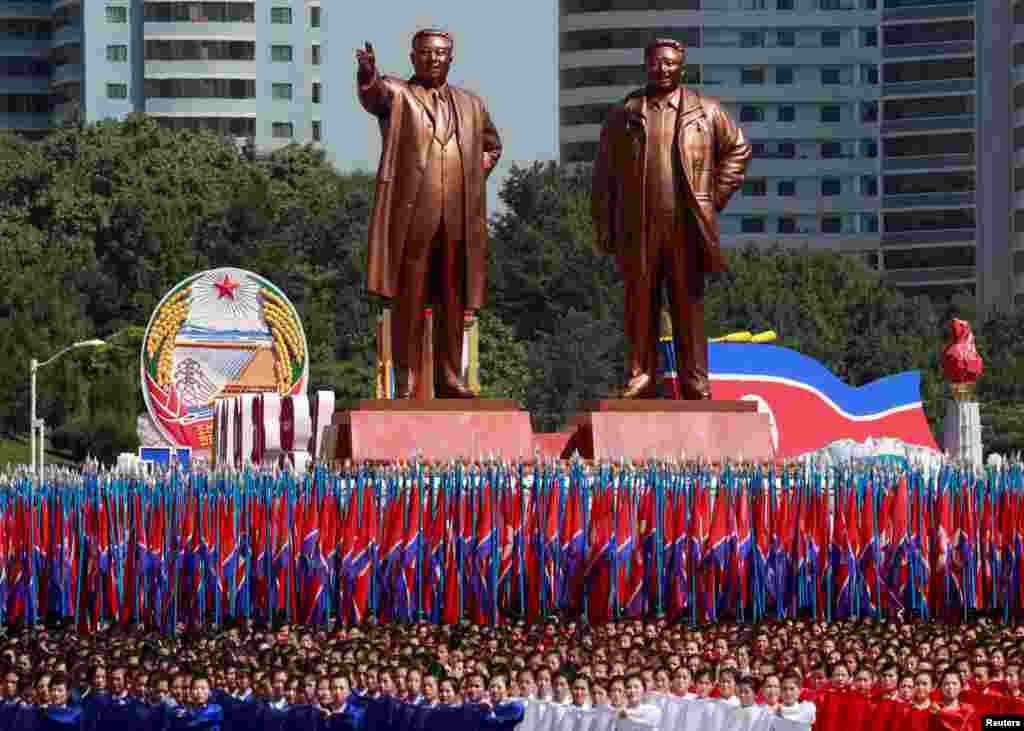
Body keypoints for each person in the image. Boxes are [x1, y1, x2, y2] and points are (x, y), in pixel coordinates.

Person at [591, 37, 750, 399]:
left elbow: (739, 150)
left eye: (669, 63)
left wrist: (713, 198)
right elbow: (603, 175)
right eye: (655, 63)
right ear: (645, 65)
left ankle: (696, 381)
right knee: (639, 305)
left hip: (686, 227)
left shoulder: (706, 111)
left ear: (681, 66)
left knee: (688, 306)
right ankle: (641, 375)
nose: (661, 69)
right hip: (639, 226)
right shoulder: (625, 113)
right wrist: (604, 223)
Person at [355, 29, 502, 399]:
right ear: (413, 57)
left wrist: (470, 173)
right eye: (426, 53)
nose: (433, 59)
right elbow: (373, 97)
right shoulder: (398, 93)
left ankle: (450, 376)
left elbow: (492, 146)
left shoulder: (471, 104)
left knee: (453, 299)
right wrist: (368, 75)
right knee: (410, 299)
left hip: (457, 217)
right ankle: (405, 379)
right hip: (413, 217)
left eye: (440, 54)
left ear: (451, 58)